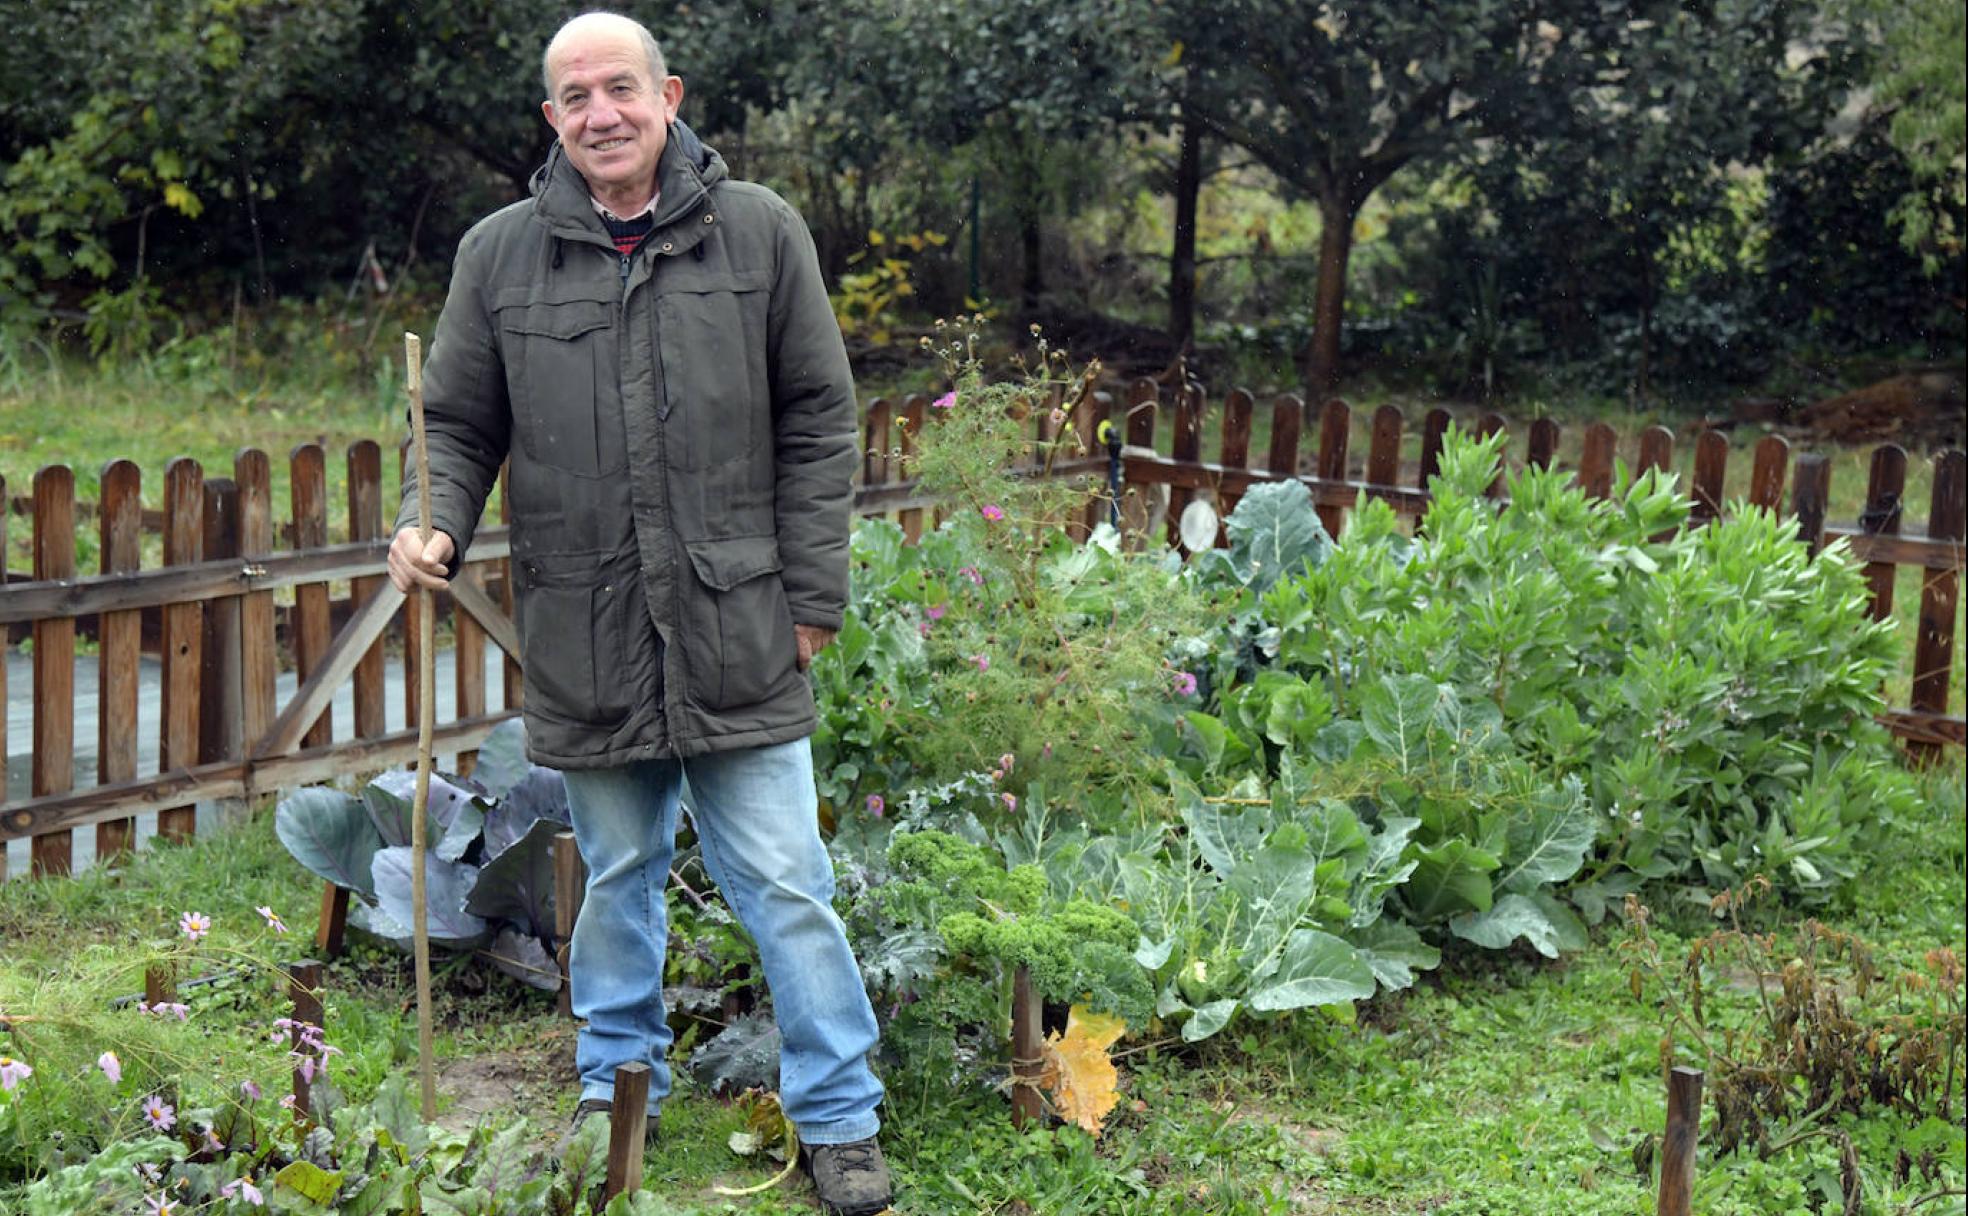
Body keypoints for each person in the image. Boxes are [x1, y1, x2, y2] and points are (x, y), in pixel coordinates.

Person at [385, 12, 891, 1213]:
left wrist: (811, 597)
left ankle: (840, 1118)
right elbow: (453, 422)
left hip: (738, 621)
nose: (600, 113)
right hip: (589, 630)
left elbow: (820, 418)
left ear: (669, 96)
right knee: (617, 879)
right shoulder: (500, 256)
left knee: (787, 883)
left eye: (621, 87)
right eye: (576, 96)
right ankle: (617, 1094)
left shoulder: (758, 232)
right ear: (551, 119)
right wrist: (433, 519)